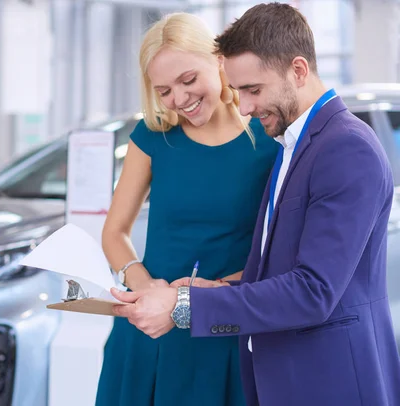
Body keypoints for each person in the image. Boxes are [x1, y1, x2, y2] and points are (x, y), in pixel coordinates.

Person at [111, 3, 400, 406]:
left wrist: (185, 303)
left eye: (253, 90)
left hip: (328, 378)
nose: (244, 106)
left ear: (298, 71)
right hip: (280, 369)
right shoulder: (291, 146)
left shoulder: (347, 148)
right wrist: (218, 286)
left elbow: (313, 291)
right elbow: (276, 266)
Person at [97, 12, 278, 406]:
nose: (178, 99)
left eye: (188, 80)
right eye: (163, 91)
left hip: (224, 334)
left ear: (218, 60)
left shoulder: (267, 143)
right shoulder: (152, 137)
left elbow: (275, 257)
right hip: (147, 335)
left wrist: (186, 304)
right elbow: (114, 233)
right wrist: (149, 293)